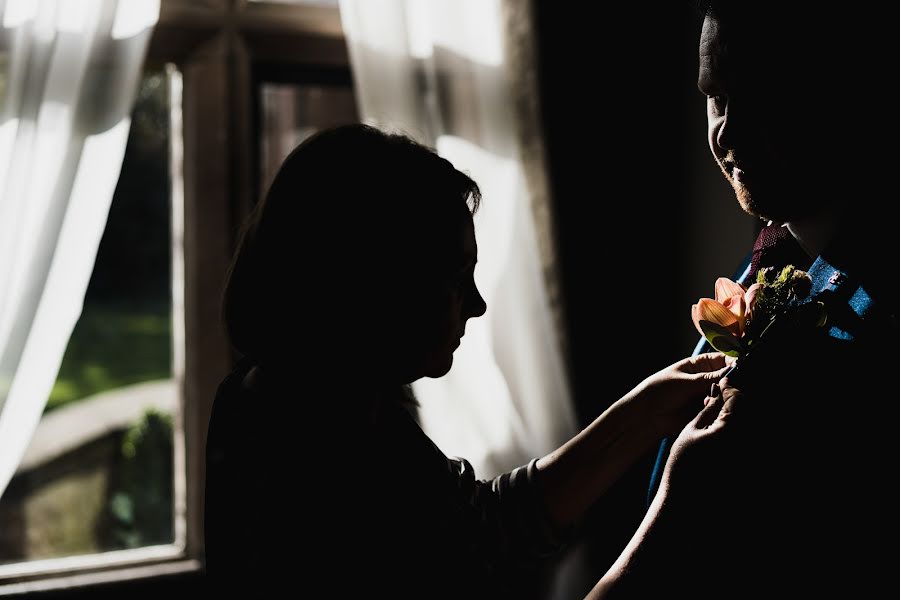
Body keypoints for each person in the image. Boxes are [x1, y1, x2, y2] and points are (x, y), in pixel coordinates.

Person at [203, 124, 734, 598]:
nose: (477, 304)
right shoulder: (323, 469)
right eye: (456, 280)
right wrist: (677, 501)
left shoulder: (307, 403)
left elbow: (480, 527)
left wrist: (643, 415)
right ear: (374, 286)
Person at [600, 3, 898, 596]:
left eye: (761, 100)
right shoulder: (769, 257)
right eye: (715, 99)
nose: (726, 133)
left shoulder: (877, 300)